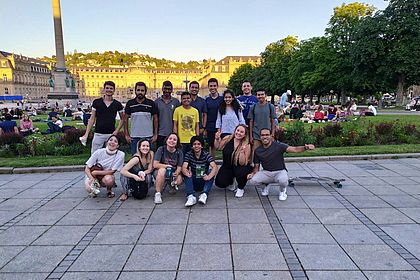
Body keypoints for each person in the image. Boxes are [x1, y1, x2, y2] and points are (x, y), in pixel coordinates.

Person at [247, 128, 315, 200]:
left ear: (271, 136)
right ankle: (265, 187)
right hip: (267, 172)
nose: (265, 137)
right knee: (252, 180)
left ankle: (282, 191)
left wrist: (305, 147)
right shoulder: (258, 150)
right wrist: (252, 173)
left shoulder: (279, 146)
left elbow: (294, 149)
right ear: (260, 137)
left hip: (280, 171)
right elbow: (256, 167)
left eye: (267, 135)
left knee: (283, 180)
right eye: (262, 135)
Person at [79, 81, 124, 153]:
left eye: (111, 88)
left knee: (110, 157)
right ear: (104, 89)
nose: (109, 90)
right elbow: (92, 119)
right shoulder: (96, 102)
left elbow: (123, 119)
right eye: (107, 88)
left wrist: (116, 131)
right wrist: (86, 134)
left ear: (114, 90)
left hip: (111, 134)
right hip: (98, 134)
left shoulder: (117, 104)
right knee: (94, 156)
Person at [214, 124, 252, 198]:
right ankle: (231, 181)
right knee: (220, 183)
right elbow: (218, 147)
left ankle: (240, 188)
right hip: (227, 166)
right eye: (237, 130)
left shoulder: (247, 145)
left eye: (241, 132)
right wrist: (217, 139)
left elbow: (242, 163)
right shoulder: (228, 138)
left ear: (244, 135)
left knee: (240, 172)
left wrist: (241, 152)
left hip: (240, 167)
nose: (238, 133)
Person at [182, 136, 218, 206]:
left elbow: (215, 167)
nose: (196, 146)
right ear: (192, 146)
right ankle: (191, 196)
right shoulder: (189, 154)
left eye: (198, 144)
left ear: (201, 146)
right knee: (186, 173)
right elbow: (184, 166)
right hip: (193, 179)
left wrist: (209, 176)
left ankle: (204, 194)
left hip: (203, 179)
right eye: (194, 144)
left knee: (211, 171)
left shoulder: (206, 154)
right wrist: (186, 172)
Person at [124, 81, 158, 155]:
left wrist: (155, 134)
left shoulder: (151, 103)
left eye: (142, 90)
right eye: (138, 90)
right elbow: (125, 119)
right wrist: (126, 134)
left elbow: (155, 119)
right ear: (135, 91)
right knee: (135, 158)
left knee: (149, 157)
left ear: (145, 92)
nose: (140, 92)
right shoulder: (130, 103)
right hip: (134, 136)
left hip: (148, 136)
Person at [153, 133, 184, 204]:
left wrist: (177, 173)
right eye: (170, 139)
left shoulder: (179, 152)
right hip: (160, 171)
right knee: (162, 170)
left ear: (177, 142)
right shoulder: (161, 149)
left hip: (173, 171)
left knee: (179, 180)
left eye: (174, 140)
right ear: (166, 140)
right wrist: (166, 166)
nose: (172, 141)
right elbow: (155, 164)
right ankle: (158, 193)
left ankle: (171, 185)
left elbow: (179, 166)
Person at [154, 81, 180, 148]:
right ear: (162, 89)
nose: (167, 91)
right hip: (160, 133)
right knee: (160, 152)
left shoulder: (176, 102)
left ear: (172, 90)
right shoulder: (157, 102)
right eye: (165, 89)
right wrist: (155, 133)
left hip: (172, 133)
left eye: (169, 89)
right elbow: (155, 119)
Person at [205, 78, 223, 158]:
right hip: (210, 126)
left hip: (222, 126)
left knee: (223, 145)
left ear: (217, 86)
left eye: (214, 86)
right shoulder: (206, 100)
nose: (213, 88)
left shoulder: (222, 99)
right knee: (212, 146)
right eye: (211, 86)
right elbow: (204, 114)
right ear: (208, 87)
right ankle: (213, 164)